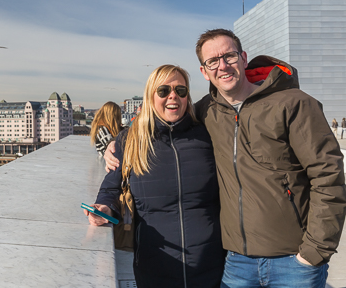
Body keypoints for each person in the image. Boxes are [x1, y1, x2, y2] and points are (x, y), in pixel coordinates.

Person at [105, 29, 346, 287]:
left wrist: (315, 250)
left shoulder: (293, 103)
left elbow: (328, 175)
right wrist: (119, 141)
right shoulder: (207, 110)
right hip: (236, 263)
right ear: (204, 71)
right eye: (213, 61)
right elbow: (165, 117)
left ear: (243, 58)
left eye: (229, 56)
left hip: (292, 262)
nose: (223, 66)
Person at [85, 65, 224, 287]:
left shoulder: (205, 136)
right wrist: (104, 207)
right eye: (163, 91)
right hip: (155, 269)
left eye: (181, 90)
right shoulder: (130, 140)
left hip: (211, 269)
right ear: (151, 96)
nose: (173, 96)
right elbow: (111, 188)